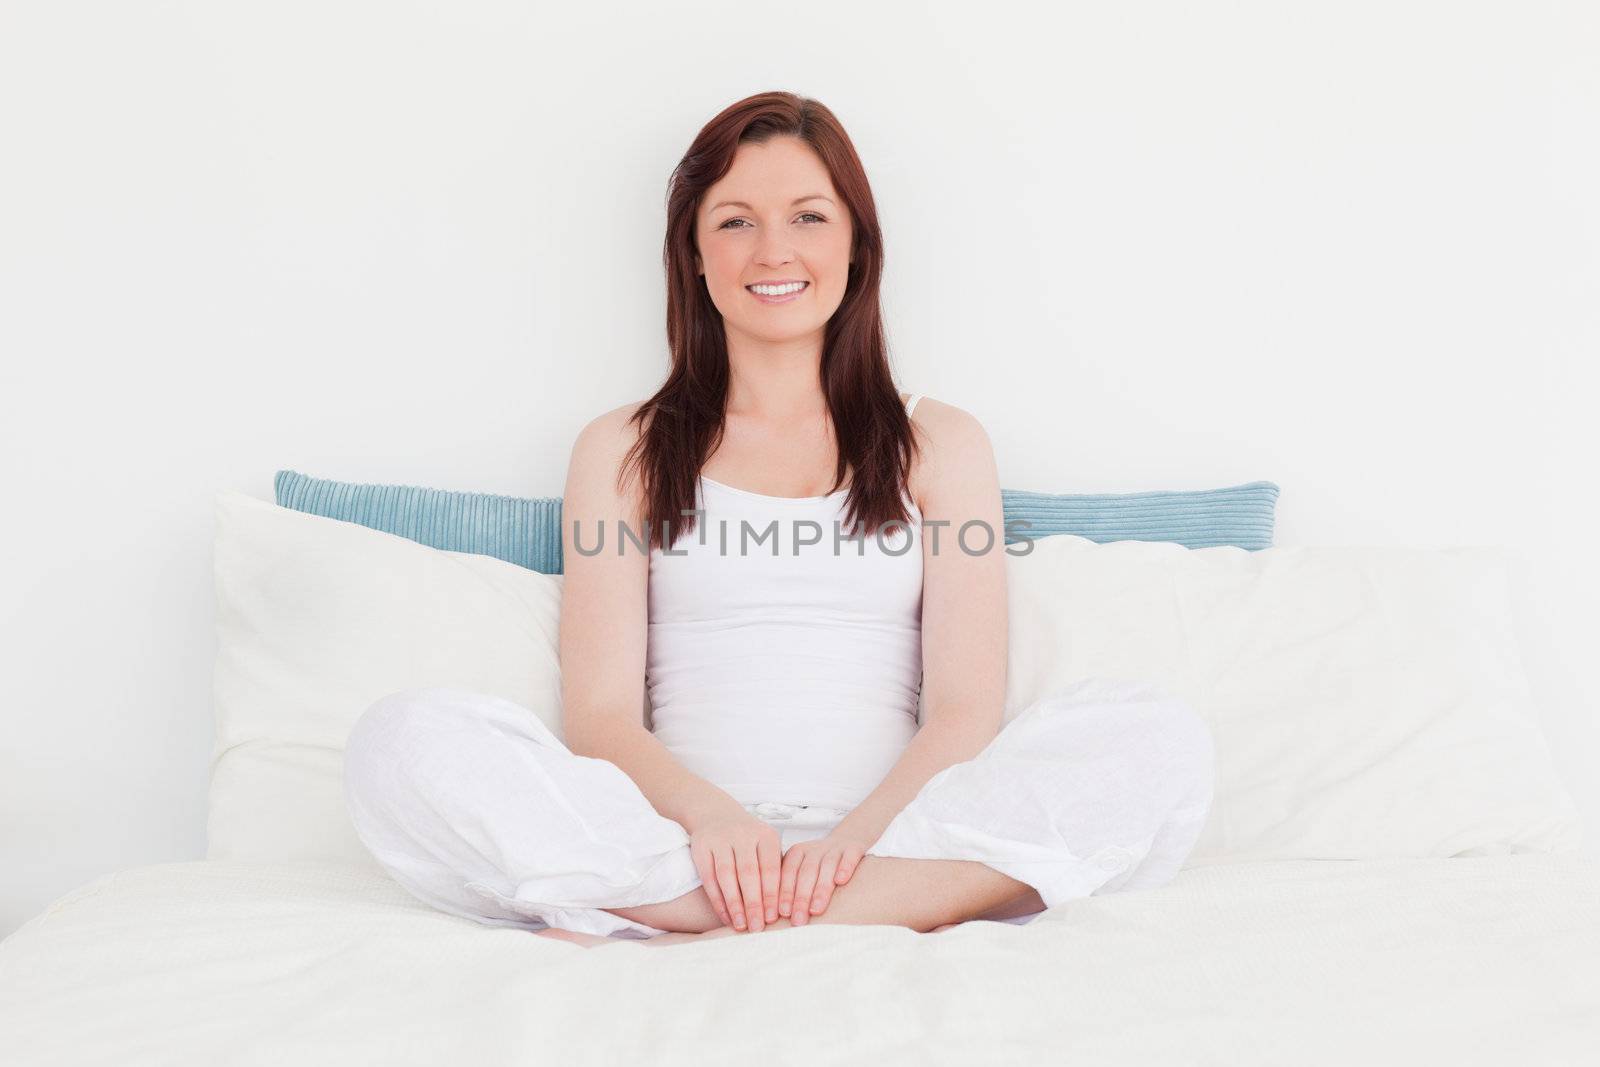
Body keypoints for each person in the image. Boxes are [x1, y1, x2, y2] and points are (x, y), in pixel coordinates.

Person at [342, 91, 1214, 947]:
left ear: (856, 245)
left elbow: (961, 708)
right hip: (678, 845)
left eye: (808, 216)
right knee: (402, 739)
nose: (773, 251)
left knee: (1159, 737)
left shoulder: (940, 442)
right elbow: (602, 714)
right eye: (734, 221)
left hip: (897, 838)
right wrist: (716, 824)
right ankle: (790, 909)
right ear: (692, 253)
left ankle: (720, 926)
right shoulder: (620, 448)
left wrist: (851, 843)